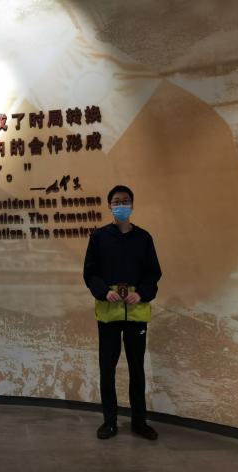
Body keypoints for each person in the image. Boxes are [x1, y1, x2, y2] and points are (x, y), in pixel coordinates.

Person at [83, 185, 162, 440]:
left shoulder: (144, 238)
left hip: (136, 312)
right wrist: (103, 291)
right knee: (107, 368)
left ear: (132, 205)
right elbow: (90, 272)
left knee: (137, 368)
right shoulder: (99, 237)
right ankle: (109, 422)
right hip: (108, 313)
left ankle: (139, 422)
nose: (121, 205)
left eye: (125, 201)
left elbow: (153, 273)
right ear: (109, 205)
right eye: (116, 201)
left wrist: (143, 293)